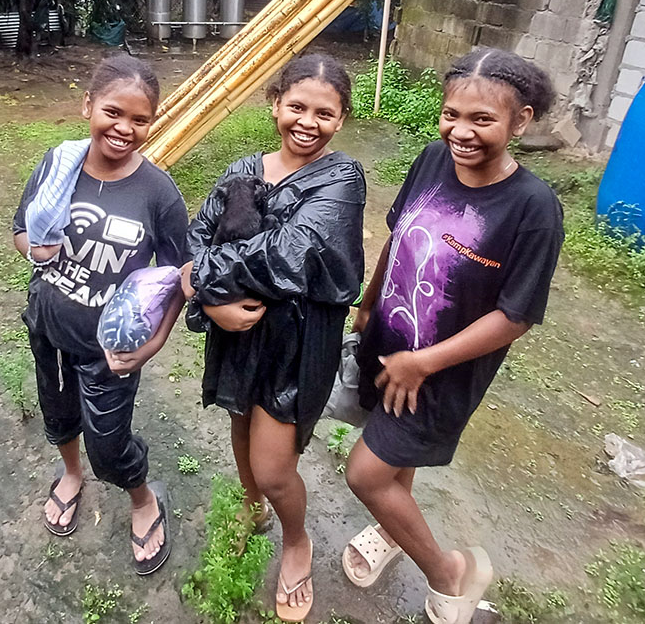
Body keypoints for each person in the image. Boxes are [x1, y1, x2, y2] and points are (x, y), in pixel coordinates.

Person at [341, 48, 564, 624]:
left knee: (364, 473)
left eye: (482, 120)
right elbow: (398, 235)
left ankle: (449, 574)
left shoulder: (532, 208)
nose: (460, 132)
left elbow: (515, 315)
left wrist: (425, 364)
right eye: (451, 114)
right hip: (388, 345)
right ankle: (393, 530)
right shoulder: (432, 159)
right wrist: (367, 303)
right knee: (390, 464)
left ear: (522, 120)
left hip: (439, 374)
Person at [182, 54, 366, 622]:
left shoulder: (342, 179)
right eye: (297, 106)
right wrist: (213, 303)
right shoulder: (241, 170)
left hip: (297, 342)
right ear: (275, 104)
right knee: (241, 425)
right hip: (239, 337)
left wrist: (200, 281)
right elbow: (195, 235)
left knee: (274, 464)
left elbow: (289, 254)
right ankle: (252, 507)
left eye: (324, 112)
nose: (307, 121)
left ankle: (295, 541)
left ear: (341, 119)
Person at [11, 55, 188, 575]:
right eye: (113, 112)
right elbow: (21, 228)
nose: (125, 129)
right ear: (87, 105)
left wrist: (152, 344)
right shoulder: (57, 165)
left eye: (140, 120)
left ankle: (142, 500)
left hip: (111, 352)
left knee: (108, 445)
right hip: (47, 326)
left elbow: (178, 275)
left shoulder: (159, 194)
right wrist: (33, 252)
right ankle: (70, 474)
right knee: (58, 415)